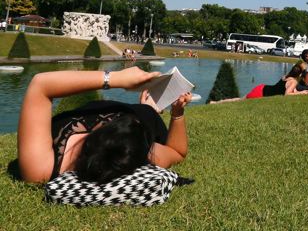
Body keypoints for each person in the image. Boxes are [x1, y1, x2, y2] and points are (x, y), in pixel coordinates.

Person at [17, 66, 191, 184]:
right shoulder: (141, 152)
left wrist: (116, 78)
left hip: (124, 116)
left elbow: (40, 84)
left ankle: (147, 108)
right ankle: (149, 108)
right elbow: (177, 152)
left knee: (142, 113)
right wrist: (177, 113)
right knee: (146, 112)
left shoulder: (39, 169)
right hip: (143, 116)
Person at [211, 61, 308, 102]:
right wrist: (302, 92)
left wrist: (302, 92)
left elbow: (288, 90)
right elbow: (287, 94)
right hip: (261, 93)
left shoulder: (285, 77)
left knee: (240, 99)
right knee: (240, 100)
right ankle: (217, 103)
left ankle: (217, 102)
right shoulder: (293, 82)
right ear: (300, 74)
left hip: (262, 88)